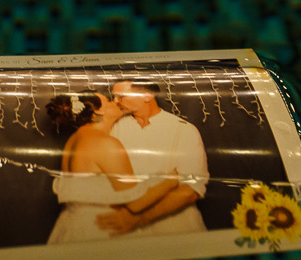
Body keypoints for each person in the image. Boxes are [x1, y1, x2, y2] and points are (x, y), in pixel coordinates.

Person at [96, 79, 208, 237]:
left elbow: (192, 189)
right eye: (113, 96)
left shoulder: (183, 129)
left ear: (146, 96)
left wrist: (138, 219)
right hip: (124, 233)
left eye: (121, 96)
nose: (115, 101)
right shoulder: (113, 128)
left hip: (175, 231)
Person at [43, 92, 150, 244]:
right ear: (98, 111)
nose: (115, 102)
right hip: (99, 228)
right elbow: (135, 202)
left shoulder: (73, 140)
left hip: (71, 227)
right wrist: (168, 182)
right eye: (108, 101)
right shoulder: (105, 143)